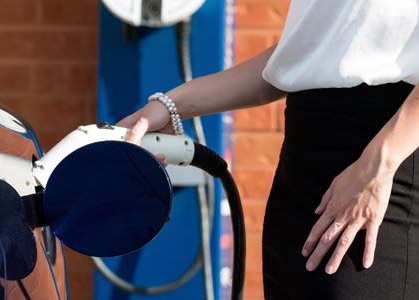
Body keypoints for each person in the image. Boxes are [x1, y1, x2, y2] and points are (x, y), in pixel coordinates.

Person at [116, 0, 419, 298]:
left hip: (378, 176)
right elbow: (304, 55)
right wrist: (171, 105)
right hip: (299, 185)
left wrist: (380, 163)